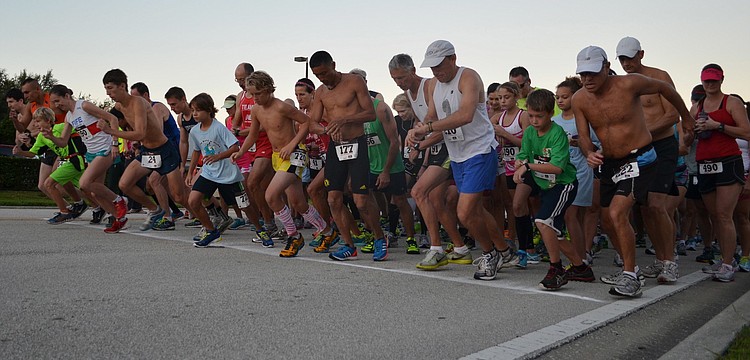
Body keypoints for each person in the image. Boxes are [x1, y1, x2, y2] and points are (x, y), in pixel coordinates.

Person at [572, 46, 695, 297]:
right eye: (583, 74)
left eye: (593, 73)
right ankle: (632, 267)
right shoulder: (579, 99)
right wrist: (589, 152)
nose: (587, 80)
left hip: (640, 156)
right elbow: (584, 137)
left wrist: (686, 117)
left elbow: (664, 89)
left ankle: (631, 275)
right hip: (610, 161)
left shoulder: (629, 84)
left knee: (619, 212)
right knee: (607, 220)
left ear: (607, 67)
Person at [406, 40, 518, 280]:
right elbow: (431, 116)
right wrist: (417, 130)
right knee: (474, 210)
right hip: (457, 154)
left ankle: (490, 253)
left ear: (453, 59)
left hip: (479, 149)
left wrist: (427, 127)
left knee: (465, 212)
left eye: (439, 65)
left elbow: (466, 115)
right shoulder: (435, 85)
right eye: (432, 67)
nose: (436, 71)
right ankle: (504, 250)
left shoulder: (469, 77)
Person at [234, 71, 339, 257]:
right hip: (278, 157)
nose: (255, 98)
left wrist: (292, 144)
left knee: (271, 195)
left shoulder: (282, 107)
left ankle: (293, 235)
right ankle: (327, 231)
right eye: (252, 94)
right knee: (299, 202)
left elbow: (306, 123)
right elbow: (253, 134)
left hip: (295, 154)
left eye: (258, 93)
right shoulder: (257, 110)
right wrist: (241, 151)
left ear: (267, 89)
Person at [389, 53, 469, 268]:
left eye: (402, 78)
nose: (399, 83)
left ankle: (436, 249)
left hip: (451, 146)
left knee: (418, 192)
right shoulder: (408, 93)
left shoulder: (431, 86)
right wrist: (416, 139)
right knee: (435, 200)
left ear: (413, 70)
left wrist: (420, 145)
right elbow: (423, 123)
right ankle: (460, 247)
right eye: (394, 79)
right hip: (437, 148)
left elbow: (443, 124)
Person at [307, 50, 387, 261]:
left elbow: (370, 113)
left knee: (361, 200)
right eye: (318, 76)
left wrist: (344, 120)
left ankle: (379, 237)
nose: (322, 78)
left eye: (325, 73)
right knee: (333, 199)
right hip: (336, 147)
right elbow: (313, 122)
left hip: (357, 144)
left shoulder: (354, 82)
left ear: (334, 64)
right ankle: (348, 244)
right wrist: (325, 130)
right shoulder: (321, 92)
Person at [616, 36, 681, 283]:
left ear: (641, 54)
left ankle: (670, 262)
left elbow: (673, 115)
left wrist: (642, 134)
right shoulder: (622, 84)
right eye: (621, 59)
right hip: (639, 150)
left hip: (662, 145)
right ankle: (661, 259)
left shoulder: (659, 77)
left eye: (630, 57)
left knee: (656, 204)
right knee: (644, 208)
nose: (625, 63)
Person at [98, 69, 193, 234]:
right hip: (147, 151)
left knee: (178, 196)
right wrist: (115, 143)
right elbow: (113, 119)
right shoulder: (119, 106)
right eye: (106, 89)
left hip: (164, 150)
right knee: (125, 184)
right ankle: (156, 210)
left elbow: (140, 133)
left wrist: (111, 132)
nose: (108, 93)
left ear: (122, 86)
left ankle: (211, 210)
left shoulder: (138, 103)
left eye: (110, 88)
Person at [514, 89, 587, 290]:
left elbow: (557, 168)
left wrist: (527, 167)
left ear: (550, 113)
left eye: (539, 116)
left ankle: (556, 268)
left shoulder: (557, 134)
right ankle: (581, 268)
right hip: (545, 185)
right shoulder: (529, 132)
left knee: (542, 221)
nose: (535, 121)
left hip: (563, 184)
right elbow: (524, 154)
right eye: (531, 116)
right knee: (554, 231)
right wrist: (520, 163)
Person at [691, 65, 750, 282]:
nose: (710, 84)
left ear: (722, 80)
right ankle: (727, 258)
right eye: (706, 80)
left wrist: (718, 126)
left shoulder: (732, 103)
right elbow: (687, 137)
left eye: (714, 80)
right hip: (704, 163)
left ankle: (727, 263)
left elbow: (747, 132)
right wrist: (693, 132)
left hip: (728, 161)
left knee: (725, 215)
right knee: (715, 214)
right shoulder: (697, 107)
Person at [45, 84, 129, 232]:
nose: (57, 105)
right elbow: (63, 141)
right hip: (91, 153)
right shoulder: (69, 117)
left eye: (58, 101)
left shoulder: (83, 106)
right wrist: (51, 136)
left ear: (67, 96)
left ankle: (119, 200)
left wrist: (115, 143)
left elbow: (113, 118)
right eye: (54, 103)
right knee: (94, 192)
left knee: (84, 183)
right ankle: (119, 218)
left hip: (105, 149)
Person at [231, 62, 281, 242]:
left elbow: (263, 125)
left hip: (266, 144)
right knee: (261, 187)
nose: (239, 83)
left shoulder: (263, 96)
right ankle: (270, 221)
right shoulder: (240, 97)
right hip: (250, 145)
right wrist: (237, 132)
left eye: (242, 79)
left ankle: (268, 223)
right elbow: (236, 121)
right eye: (237, 80)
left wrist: (243, 131)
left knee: (252, 183)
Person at [13, 107, 86, 224]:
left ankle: (65, 212)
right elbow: (33, 153)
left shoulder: (61, 127)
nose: (35, 124)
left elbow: (81, 131)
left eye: (38, 121)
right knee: (87, 188)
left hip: (75, 159)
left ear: (48, 120)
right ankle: (85, 204)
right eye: (35, 121)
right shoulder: (42, 137)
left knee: (48, 184)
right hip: (66, 161)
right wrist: (20, 152)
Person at [553, 77, 596, 267]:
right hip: (561, 175)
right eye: (557, 97)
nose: (560, 101)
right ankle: (580, 255)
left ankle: (581, 257)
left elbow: (599, 145)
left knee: (572, 215)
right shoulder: (553, 121)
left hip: (581, 171)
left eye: (565, 97)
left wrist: (581, 143)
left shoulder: (585, 119)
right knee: (570, 216)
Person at [130, 82, 184, 230]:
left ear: (145, 96)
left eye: (135, 98)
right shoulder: (141, 112)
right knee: (158, 186)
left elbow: (157, 132)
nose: (133, 101)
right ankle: (176, 212)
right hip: (155, 151)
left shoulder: (156, 108)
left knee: (156, 182)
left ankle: (167, 217)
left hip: (169, 150)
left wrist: (140, 140)